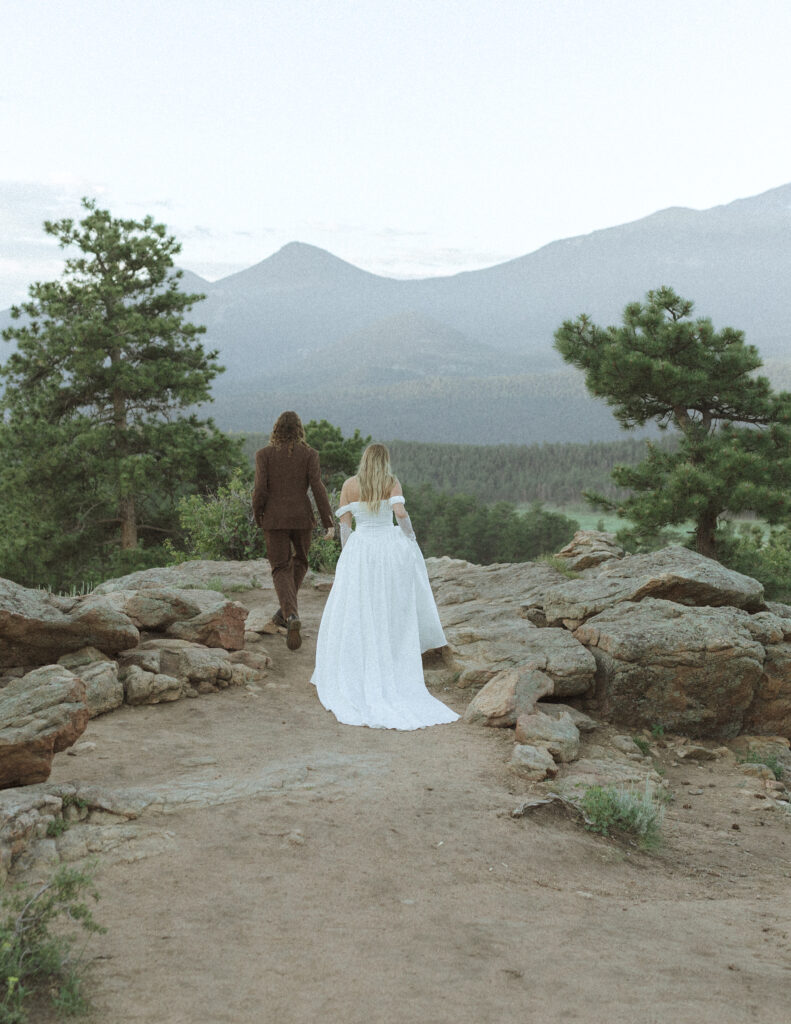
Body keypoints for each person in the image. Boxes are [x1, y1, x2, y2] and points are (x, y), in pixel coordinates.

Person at [311, 443, 459, 729]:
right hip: (387, 548)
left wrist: (348, 553)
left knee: (358, 606)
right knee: (389, 605)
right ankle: (389, 657)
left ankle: (357, 663)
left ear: (364, 460)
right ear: (384, 461)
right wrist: (411, 537)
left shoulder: (349, 485)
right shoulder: (391, 482)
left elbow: (345, 525)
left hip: (361, 548)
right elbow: (400, 513)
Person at [253, 411, 334, 651]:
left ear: (276, 429)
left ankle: (289, 615)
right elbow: (318, 487)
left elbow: (260, 489)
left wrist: (258, 514)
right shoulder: (310, 454)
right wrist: (328, 521)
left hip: (274, 519)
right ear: (299, 430)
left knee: (280, 567)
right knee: (301, 561)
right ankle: (286, 613)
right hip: (302, 518)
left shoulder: (264, 455)